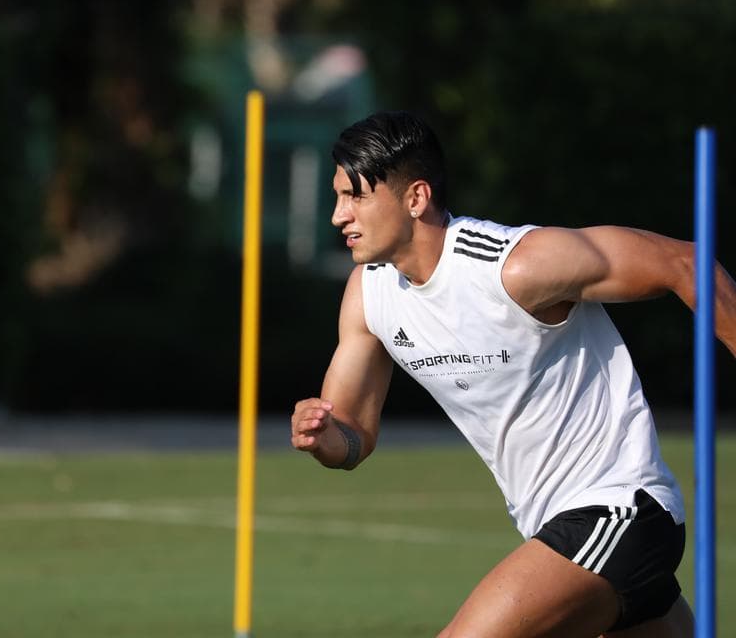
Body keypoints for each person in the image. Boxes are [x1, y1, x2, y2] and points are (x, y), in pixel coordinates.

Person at [290, 111, 735, 638]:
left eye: (356, 196)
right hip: (557, 528)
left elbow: (684, 263)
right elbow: (354, 435)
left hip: (618, 510)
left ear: (415, 199)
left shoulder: (512, 267)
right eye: (338, 197)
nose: (339, 216)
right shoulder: (369, 294)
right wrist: (321, 436)